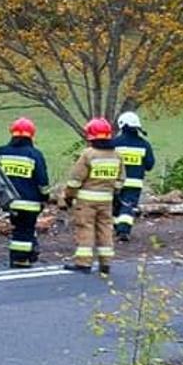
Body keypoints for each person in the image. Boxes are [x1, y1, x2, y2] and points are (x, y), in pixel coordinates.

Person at [61, 117, 123, 275]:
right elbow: (120, 179)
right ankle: (106, 263)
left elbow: (75, 179)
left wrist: (68, 196)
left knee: (85, 229)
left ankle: (83, 263)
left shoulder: (88, 154)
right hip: (106, 200)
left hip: (86, 201)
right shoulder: (116, 155)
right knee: (105, 230)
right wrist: (114, 193)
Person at [0, 117, 50, 269]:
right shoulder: (34, 154)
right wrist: (45, 197)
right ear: (31, 135)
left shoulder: (2, 152)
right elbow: (42, 180)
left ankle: (25, 254)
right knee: (25, 231)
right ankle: (21, 259)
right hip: (30, 202)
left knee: (19, 229)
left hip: (10, 201)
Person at [112, 111, 156, 243]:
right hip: (135, 183)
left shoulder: (114, 143)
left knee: (115, 206)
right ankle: (123, 230)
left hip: (116, 182)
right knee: (128, 207)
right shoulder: (144, 144)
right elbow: (149, 165)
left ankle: (118, 228)